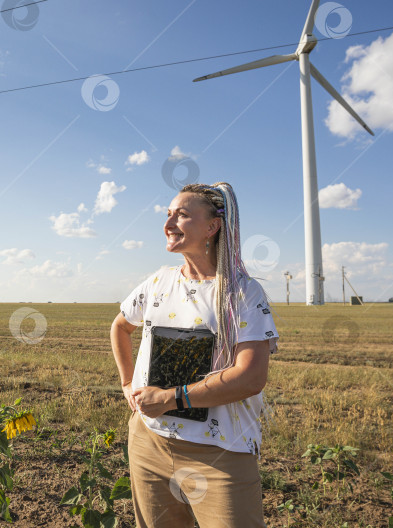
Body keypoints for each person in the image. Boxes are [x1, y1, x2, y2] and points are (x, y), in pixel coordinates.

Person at [110, 182, 279, 528]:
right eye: (168, 214)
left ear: (212, 227)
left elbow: (250, 377)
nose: (168, 223)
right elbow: (120, 326)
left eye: (182, 215)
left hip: (220, 455)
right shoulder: (157, 283)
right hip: (149, 442)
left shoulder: (243, 293)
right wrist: (127, 382)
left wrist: (172, 398)